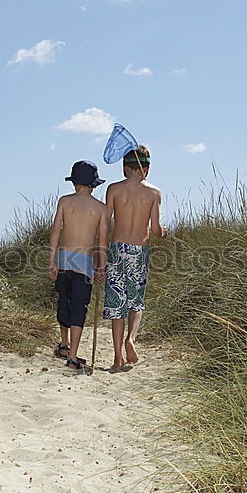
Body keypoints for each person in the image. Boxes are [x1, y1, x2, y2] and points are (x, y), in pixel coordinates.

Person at [103, 145, 166, 371]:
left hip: (117, 248)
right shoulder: (154, 193)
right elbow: (156, 229)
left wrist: (101, 251)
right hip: (139, 250)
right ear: (147, 168)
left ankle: (117, 358)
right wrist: (163, 232)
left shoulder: (113, 189)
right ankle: (131, 339)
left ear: (124, 167)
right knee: (136, 300)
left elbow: (105, 222)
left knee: (116, 303)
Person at [48, 161, 107, 371]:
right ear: (93, 184)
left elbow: (55, 232)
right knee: (78, 308)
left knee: (64, 302)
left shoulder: (64, 202)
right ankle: (72, 355)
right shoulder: (101, 208)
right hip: (85, 264)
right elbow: (102, 242)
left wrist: (51, 261)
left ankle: (64, 345)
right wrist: (101, 268)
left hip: (64, 259)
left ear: (74, 183)